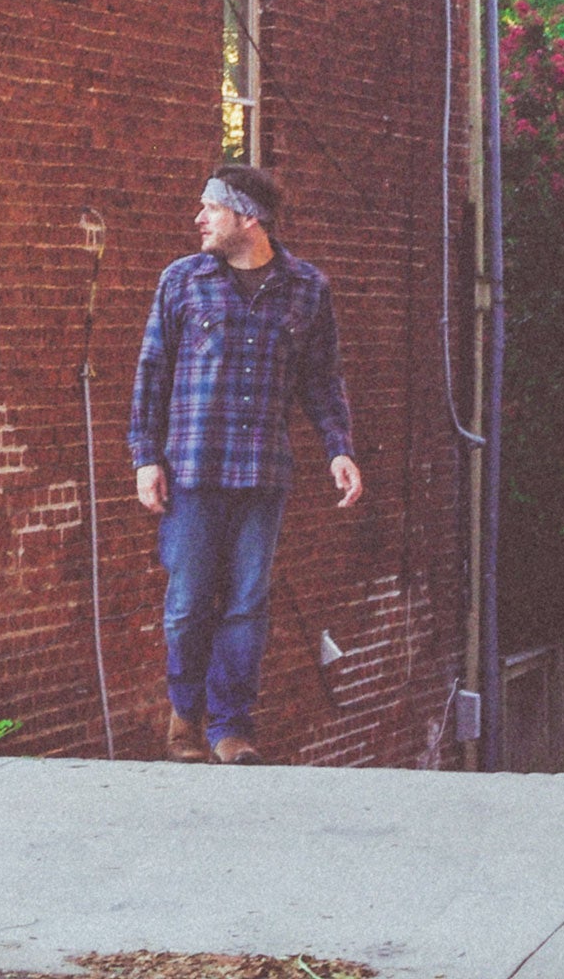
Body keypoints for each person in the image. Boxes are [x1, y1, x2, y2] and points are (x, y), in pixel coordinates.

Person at [128, 165, 362, 765]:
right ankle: (185, 720)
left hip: (262, 474)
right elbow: (151, 374)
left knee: (246, 604)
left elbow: (321, 378)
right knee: (187, 603)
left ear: (248, 218)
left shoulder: (307, 288)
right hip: (191, 472)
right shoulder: (181, 281)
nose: (198, 219)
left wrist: (338, 447)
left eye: (211, 208)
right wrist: (144, 458)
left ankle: (230, 728)